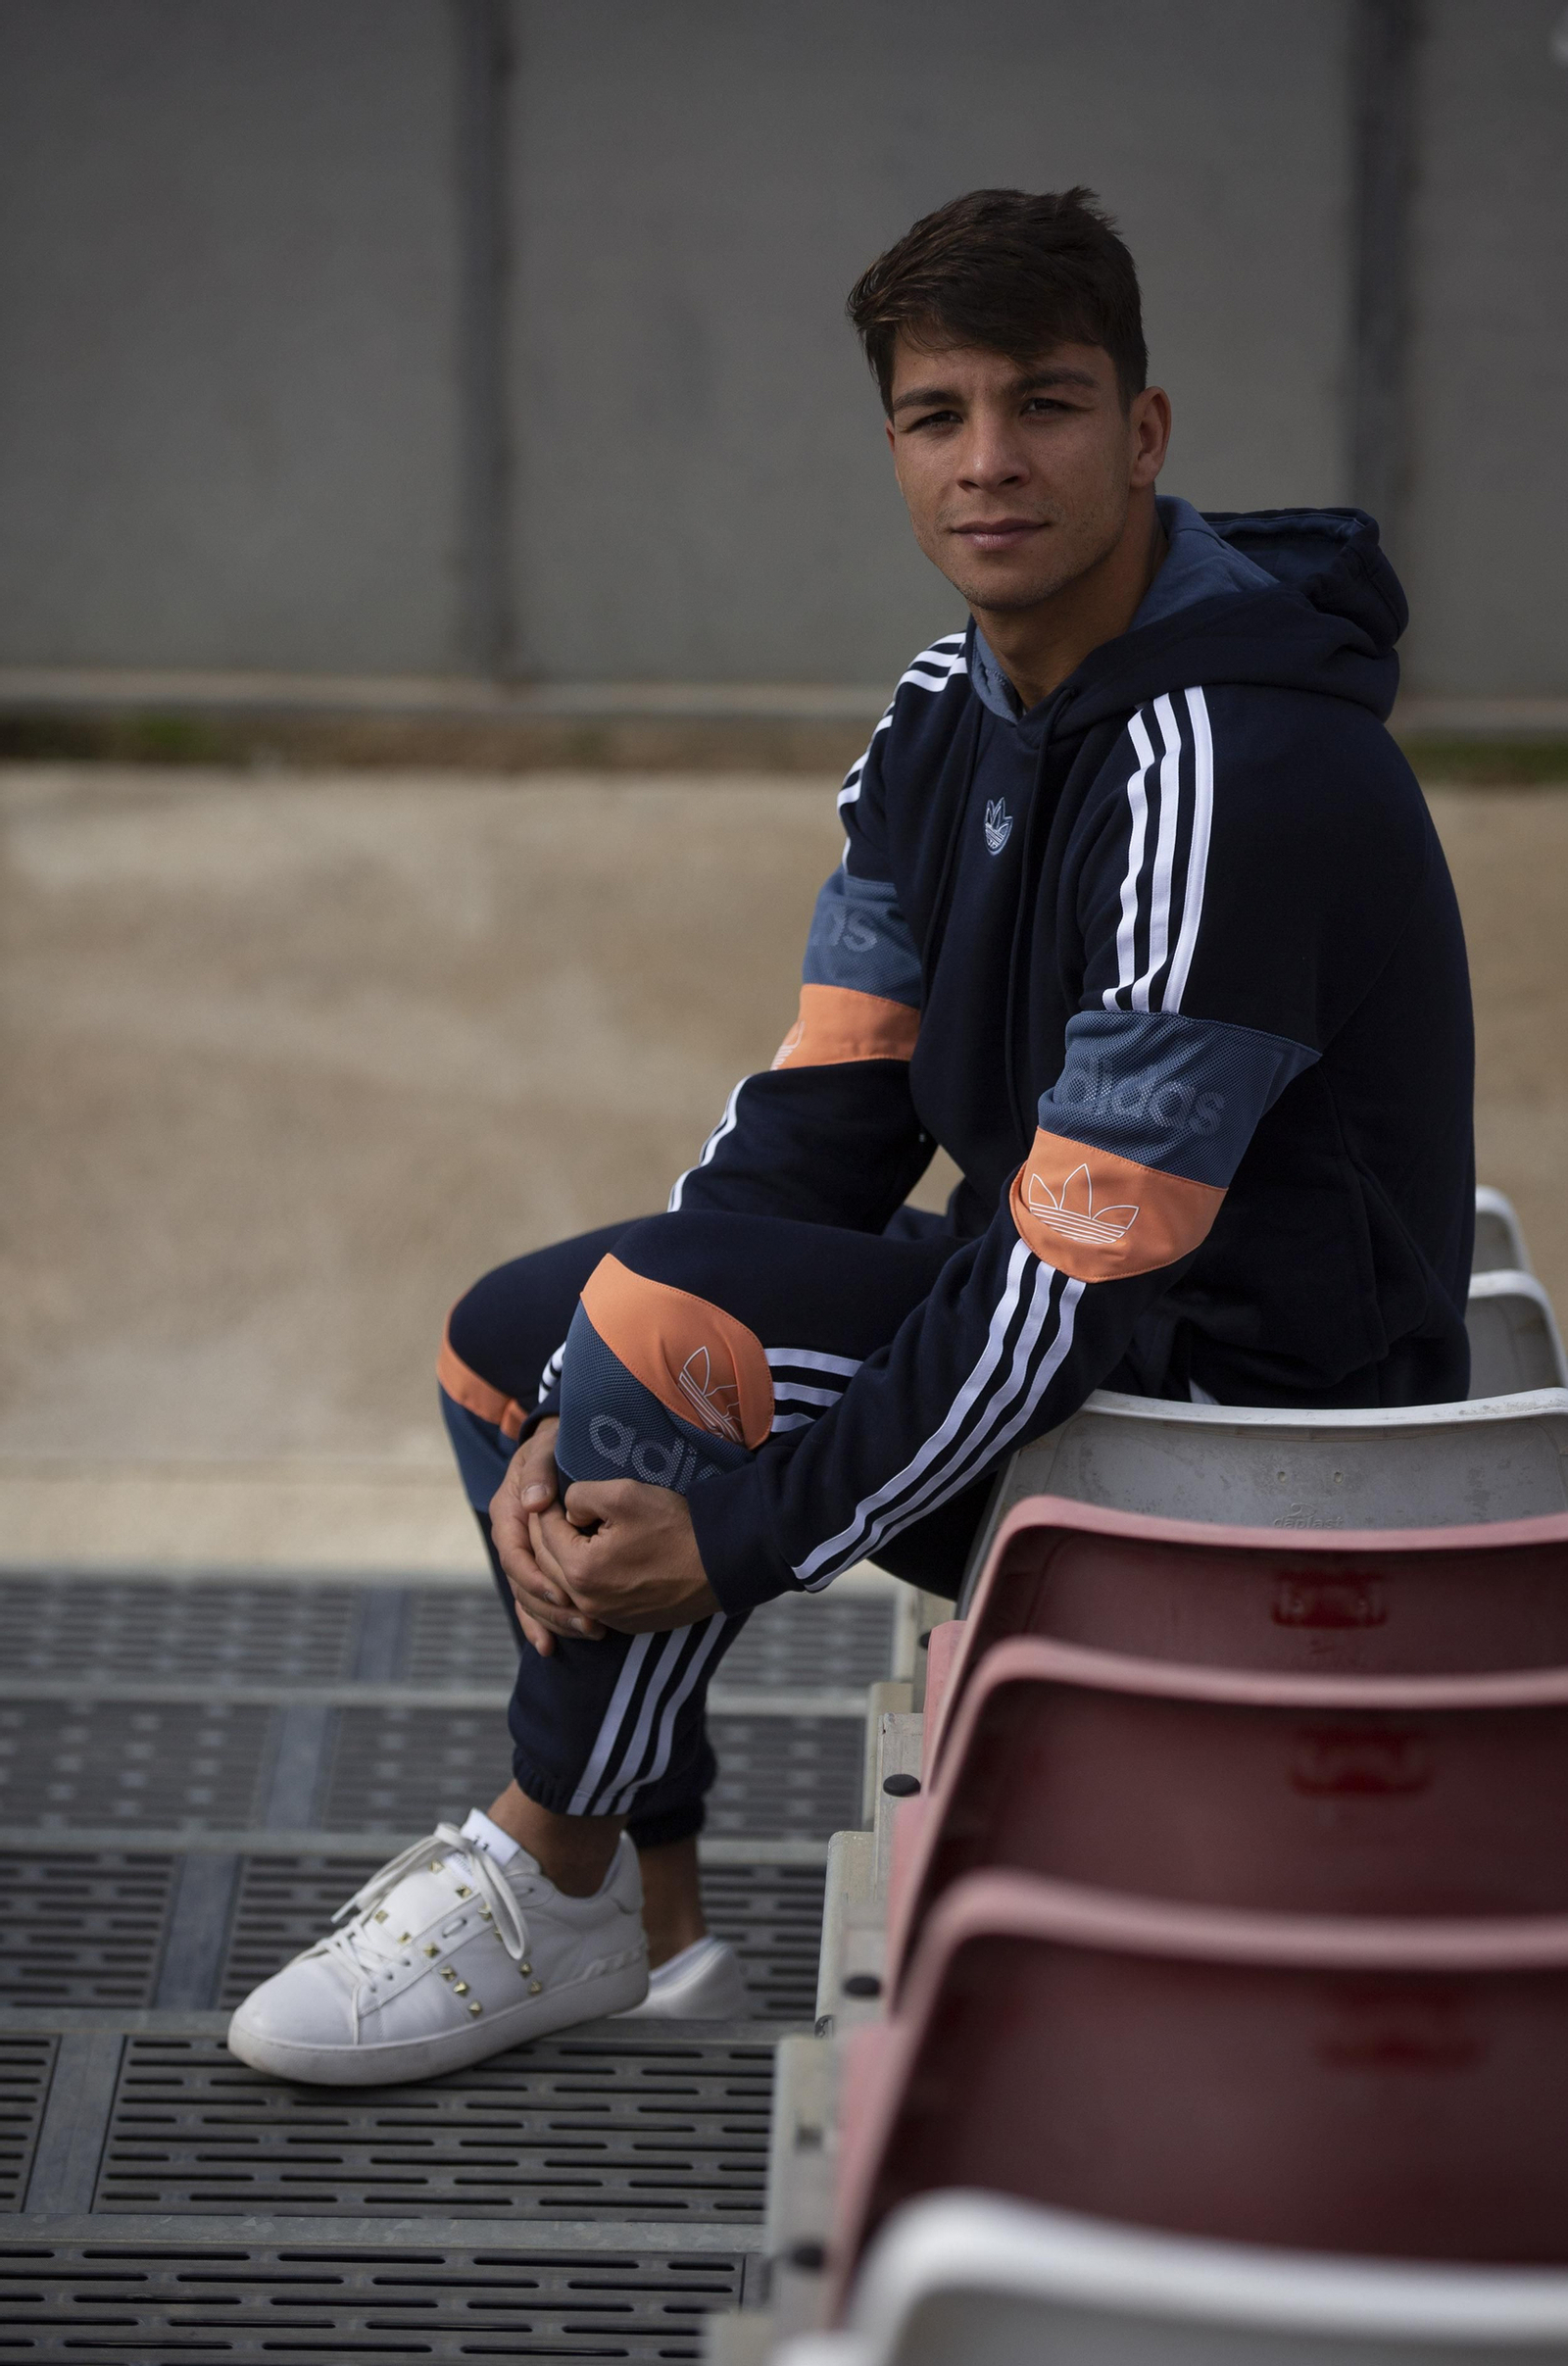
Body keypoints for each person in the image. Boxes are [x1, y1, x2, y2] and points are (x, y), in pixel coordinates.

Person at [228, 186, 1473, 2085]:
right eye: (934, 415)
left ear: (1141, 433)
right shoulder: (938, 716)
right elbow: (821, 1113)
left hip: (1262, 1432)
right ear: (887, 441)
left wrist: (733, 1534)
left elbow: (1073, 1274)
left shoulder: (1229, 767)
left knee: (668, 1327)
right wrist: (588, 1380)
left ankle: (542, 1863)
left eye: (1044, 405)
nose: (988, 463)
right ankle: (640, 1902)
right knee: (510, 1348)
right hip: (1098, 1335)